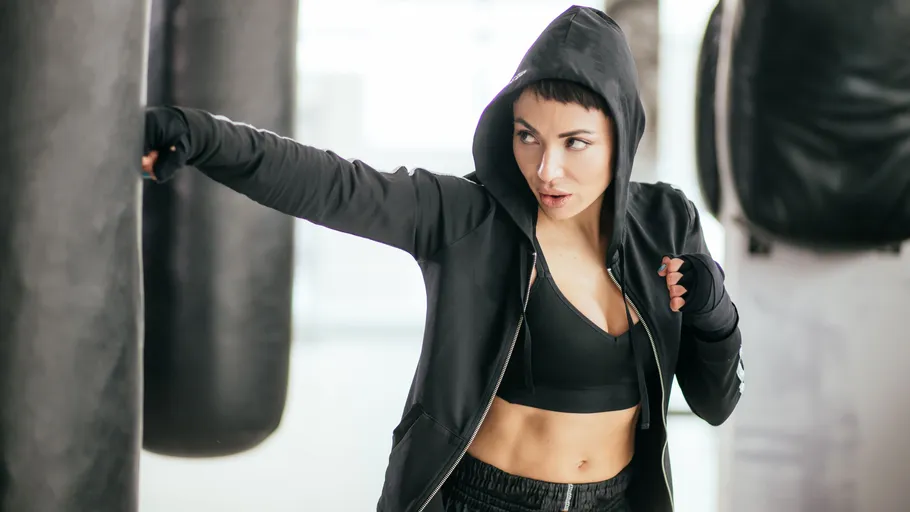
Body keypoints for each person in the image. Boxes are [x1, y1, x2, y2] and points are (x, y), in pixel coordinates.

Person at [141, 6, 744, 512]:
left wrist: (713, 314)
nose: (545, 169)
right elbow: (330, 184)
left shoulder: (668, 222)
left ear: (622, 137)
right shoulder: (466, 216)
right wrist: (204, 137)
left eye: (575, 142)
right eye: (527, 135)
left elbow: (716, 403)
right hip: (483, 498)